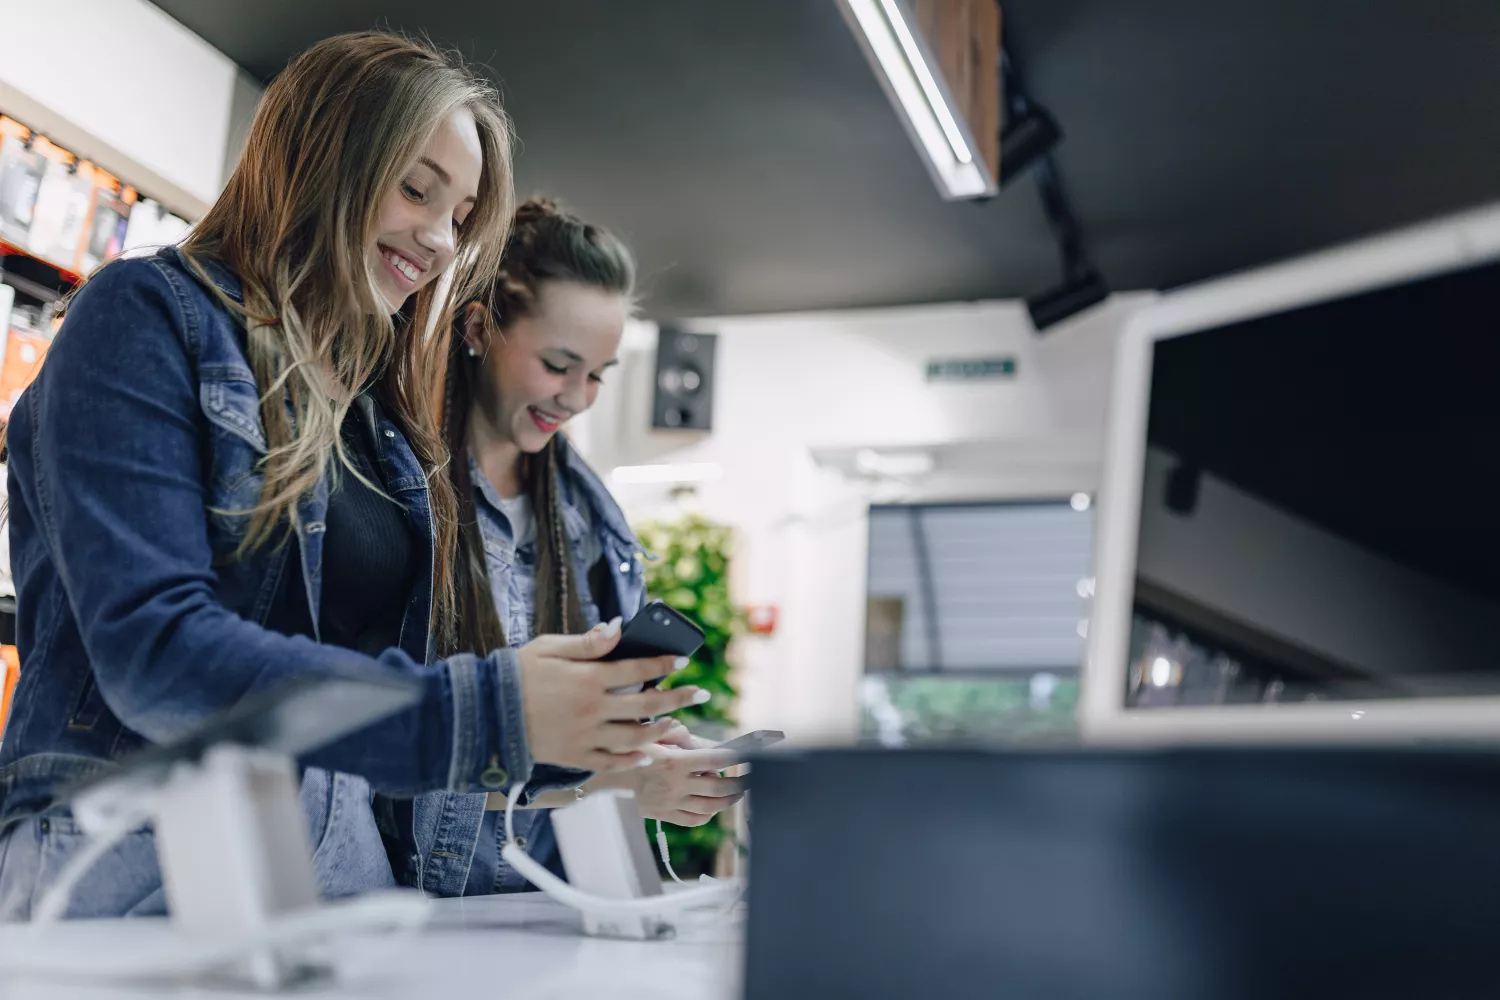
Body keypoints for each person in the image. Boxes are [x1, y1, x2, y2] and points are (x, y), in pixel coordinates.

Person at [0, 33, 705, 920]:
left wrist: (578, 736)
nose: (441, 242)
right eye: (418, 189)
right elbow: (157, 653)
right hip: (132, 854)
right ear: (323, 157)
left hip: (329, 866)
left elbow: (372, 694)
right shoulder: (145, 316)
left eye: (460, 217)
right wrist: (493, 710)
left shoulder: (377, 416)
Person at [398, 197, 745, 895]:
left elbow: (581, 748)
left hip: (551, 910)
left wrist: (646, 754)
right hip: (412, 916)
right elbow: (380, 769)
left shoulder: (591, 519)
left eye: (598, 374)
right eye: (559, 364)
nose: (579, 398)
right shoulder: (390, 497)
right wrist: (609, 786)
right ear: (478, 329)